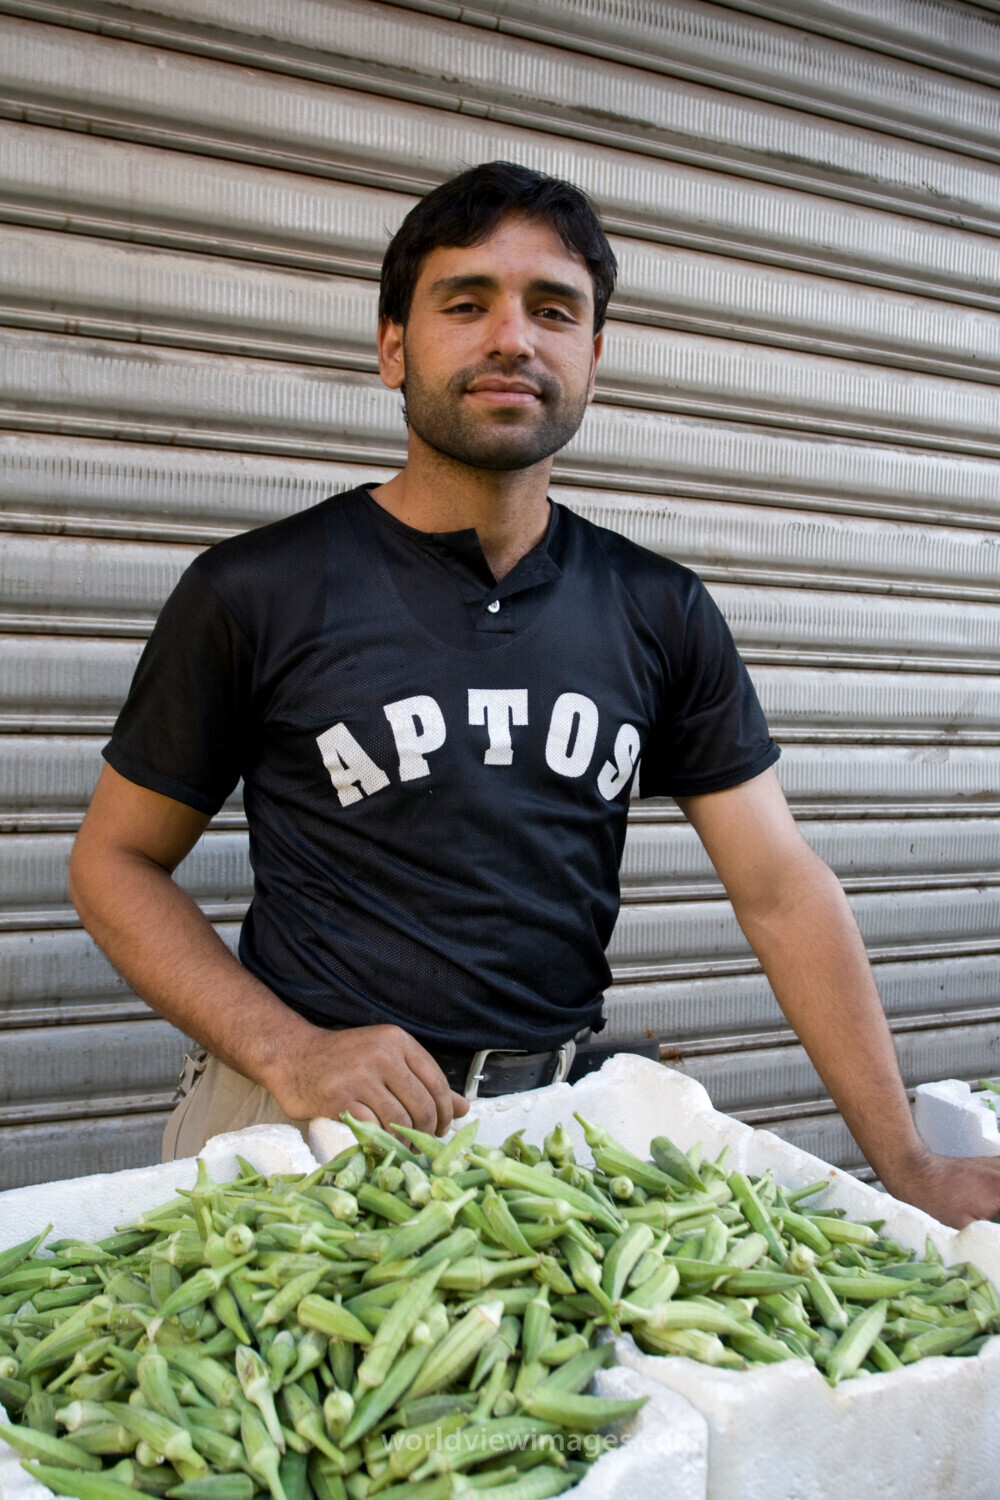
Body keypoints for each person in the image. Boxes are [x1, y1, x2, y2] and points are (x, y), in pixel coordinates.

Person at [69, 161, 1000, 1229]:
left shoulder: (660, 609)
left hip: (548, 1133)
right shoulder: (257, 590)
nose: (512, 337)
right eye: (465, 303)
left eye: (552, 310)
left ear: (592, 360)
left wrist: (909, 1161)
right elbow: (113, 861)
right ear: (391, 349)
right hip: (293, 1120)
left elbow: (781, 888)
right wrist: (293, 1049)